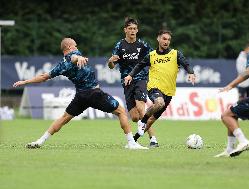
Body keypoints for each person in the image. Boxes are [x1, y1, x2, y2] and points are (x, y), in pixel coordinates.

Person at [13, 38, 148, 150]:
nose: (77, 47)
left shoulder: (61, 65)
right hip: (94, 93)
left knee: (64, 118)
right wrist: (79, 58)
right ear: (70, 47)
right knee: (121, 111)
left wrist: (25, 81)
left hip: (81, 96)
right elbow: (75, 58)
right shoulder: (73, 55)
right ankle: (131, 143)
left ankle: (40, 141)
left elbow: (43, 76)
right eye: (75, 45)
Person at [124, 29, 196, 143]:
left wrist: (191, 72)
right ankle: (142, 121)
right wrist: (130, 75)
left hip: (169, 91)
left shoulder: (175, 54)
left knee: (152, 120)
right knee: (159, 103)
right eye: (164, 39)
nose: (166, 41)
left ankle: (133, 141)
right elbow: (139, 66)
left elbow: (186, 64)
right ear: (158, 39)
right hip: (154, 87)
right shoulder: (151, 56)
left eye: (168, 39)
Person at [107, 17, 159, 147]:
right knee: (135, 117)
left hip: (141, 79)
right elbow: (111, 66)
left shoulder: (143, 45)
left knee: (141, 109)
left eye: (134, 29)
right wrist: (110, 61)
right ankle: (143, 130)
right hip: (126, 82)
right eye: (130, 28)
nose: (132, 31)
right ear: (125, 30)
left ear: (137, 30)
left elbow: (155, 57)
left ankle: (153, 139)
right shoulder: (120, 46)